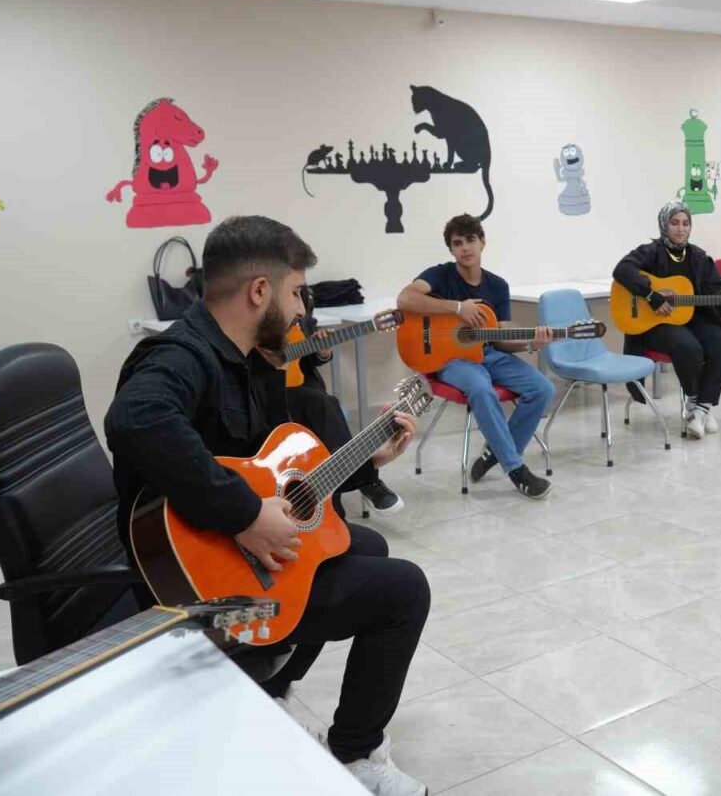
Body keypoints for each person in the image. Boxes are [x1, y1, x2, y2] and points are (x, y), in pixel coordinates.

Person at [105, 215, 430, 796]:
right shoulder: (183, 356)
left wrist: (370, 458)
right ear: (260, 291)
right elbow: (136, 419)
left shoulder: (249, 359)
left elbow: (277, 471)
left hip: (226, 555)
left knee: (365, 544)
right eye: (297, 292)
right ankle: (355, 754)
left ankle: (267, 691)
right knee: (404, 589)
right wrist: (246, 516)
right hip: (198, 591)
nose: (303, 309)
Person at [397, 213, 555, 499]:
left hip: (491, 354)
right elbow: (405, 299)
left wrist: (531, 343)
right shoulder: (440, 274)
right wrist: (458, 308)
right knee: (482, 390)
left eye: (470, 240)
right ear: (451, 250)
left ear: (482, 242)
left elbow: (501, 338)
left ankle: (495, 451)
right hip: (452, 360)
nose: (465, 248)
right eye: (457, 243)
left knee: (543, 388)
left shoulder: (497, 286)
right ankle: (516, 469)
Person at [612, 201, 721, 440]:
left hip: (694, 318)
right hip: (657, 323)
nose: (681, 229)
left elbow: (715, 292)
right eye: (674, 223)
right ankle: (694, 402)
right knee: (688, 346)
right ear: (664, 224)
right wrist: (652, 296)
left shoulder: (699, 257)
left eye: (685, 223)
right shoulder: (650, 251)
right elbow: (622, 270)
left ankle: (701, 409)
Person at [287, 292, 403, 516]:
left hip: (302, 389)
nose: (300, 307)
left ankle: (341, 501)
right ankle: (365, 479)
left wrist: (322, 352)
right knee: (324, 404)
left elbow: (303, 357)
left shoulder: (301, 295)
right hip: (264, 392)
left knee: (327, 408)